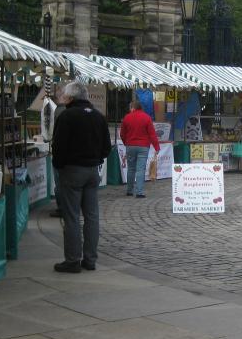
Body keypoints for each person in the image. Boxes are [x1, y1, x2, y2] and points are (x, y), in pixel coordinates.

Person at [51, 81, 112, 273]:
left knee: (72, 217)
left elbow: (58, 147)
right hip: (93, 170)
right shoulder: (98, 117)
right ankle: (90, 258)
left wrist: (59, 166)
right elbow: (106, 147)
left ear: (70, 97)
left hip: (72, 170)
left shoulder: (67, 116)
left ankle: (72, 259)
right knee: (92, 216)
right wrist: (96, 158)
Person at [120, 99, 160, 198]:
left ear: (133, 108)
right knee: (140, 170)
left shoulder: (126, 118)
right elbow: (152, 134)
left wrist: (126, 143)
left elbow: (122, 134)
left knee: (131, 169)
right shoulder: (147, 118)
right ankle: (139, 192)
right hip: (143, 146)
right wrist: (157, 147)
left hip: (130, 146)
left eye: (130, 108)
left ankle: (129, 191)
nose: (130, 110)